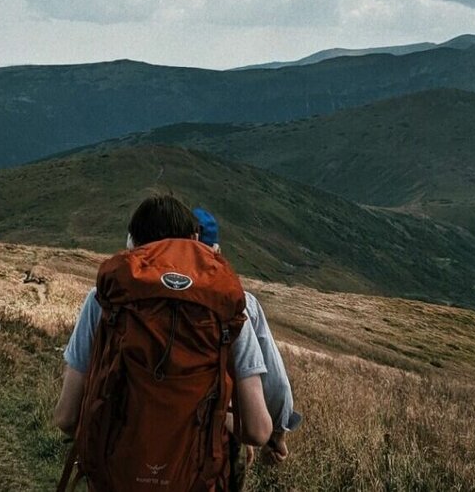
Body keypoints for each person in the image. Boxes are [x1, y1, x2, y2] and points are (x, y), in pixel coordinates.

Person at [53, 194, 272, 491]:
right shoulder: (224, 306)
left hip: (116, 479)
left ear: (133, 244)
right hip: (195, 482)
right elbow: (258, 430)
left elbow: (66, 417)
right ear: (195, 243)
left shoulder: (103, 300)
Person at [191, 207, 301, 469]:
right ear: (216, 252)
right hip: (212, 442)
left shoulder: (123, 297)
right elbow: (276, 385)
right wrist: (276, 435)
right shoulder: (240, 305)